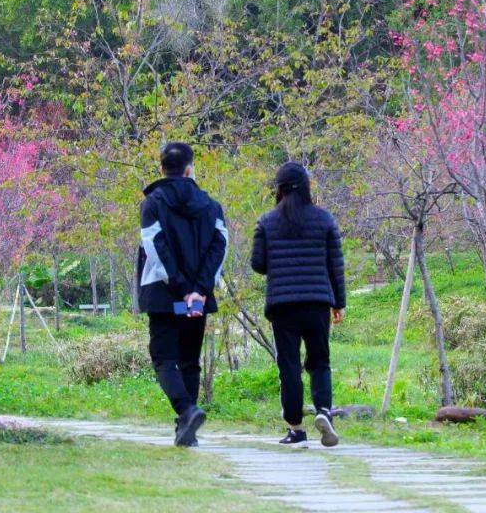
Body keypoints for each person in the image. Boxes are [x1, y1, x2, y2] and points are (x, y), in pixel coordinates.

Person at [137, 142, 228, 447]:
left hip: (165, 298)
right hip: (197, 300)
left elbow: (156, 247)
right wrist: (198, 290)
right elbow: (219, 248)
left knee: (164, 360)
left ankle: (186, 413)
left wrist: (179, 288)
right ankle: (185, 429)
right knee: (190, 361)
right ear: (190, 169)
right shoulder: (212, 206)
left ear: (162, 168)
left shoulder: (153, 203)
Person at [251, 162, 346, 447]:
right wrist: (338, 303)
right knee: (319, 361)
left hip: (282, 304)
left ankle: (295, 428)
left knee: (289, 365)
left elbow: (258, 264)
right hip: (317, 301)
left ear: (278, 189)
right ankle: (324, 411)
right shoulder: (325, 219)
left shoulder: (266, 222)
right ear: (306, 187)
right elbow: (335, 266)